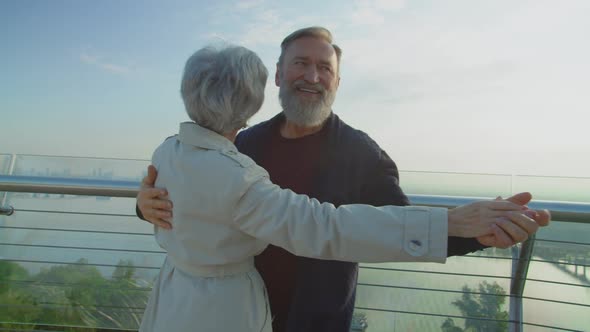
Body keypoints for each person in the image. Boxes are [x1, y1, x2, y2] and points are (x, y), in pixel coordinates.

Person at [137, 28, 551, 332]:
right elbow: (189, 197)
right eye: (300, 64)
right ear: (277, 77)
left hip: (316, 320)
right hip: (240, 311)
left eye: (324, 68)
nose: (312, 77)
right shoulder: (243, 145)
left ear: (337, 82)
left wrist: (475, 233)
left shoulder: (361, 153)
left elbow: (396, 222)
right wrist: (143, 204)